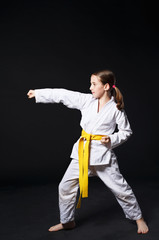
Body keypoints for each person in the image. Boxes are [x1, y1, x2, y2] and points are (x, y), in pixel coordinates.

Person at [27, 69, 149, 234]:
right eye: (91, 84)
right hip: (82, 154)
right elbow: (64, 94)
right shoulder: (87, 101)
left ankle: (139, 218)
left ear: (106, 86)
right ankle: (67, 221)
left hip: (103, 157)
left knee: (120, 189)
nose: (90, 87)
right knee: (64, 187)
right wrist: (40, 93)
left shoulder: (116, 108)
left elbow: (126, 131)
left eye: (94, 84)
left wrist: (111, 139)